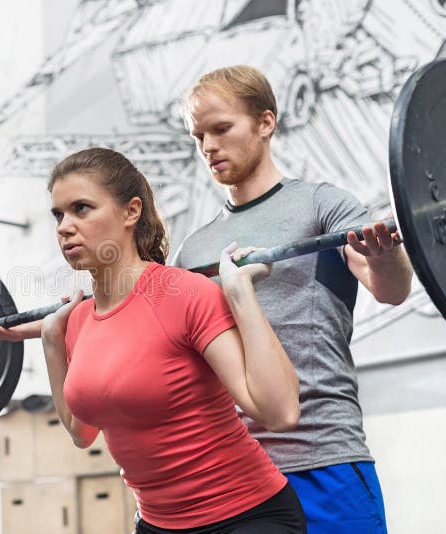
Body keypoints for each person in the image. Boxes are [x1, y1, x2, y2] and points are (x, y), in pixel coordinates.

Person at [0, 147, 306, 532]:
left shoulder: (186, 294)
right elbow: (81, 432)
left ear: (131, 212)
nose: (64, 227)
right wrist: (52, 340)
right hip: (157, 523)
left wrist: (239, 292)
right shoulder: (78, 321)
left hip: (247, 514)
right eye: (58, 214)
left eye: (81, 209)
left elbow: (280, 413)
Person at [172, 65, 413, 533]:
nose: (208, 147)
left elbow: (390, 288)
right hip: (235, 475)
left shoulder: (323, 205)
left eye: (221, 129)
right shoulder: (193, 250)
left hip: (322, 459)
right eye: (198, 136)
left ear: (266, 122)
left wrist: (386, 256)